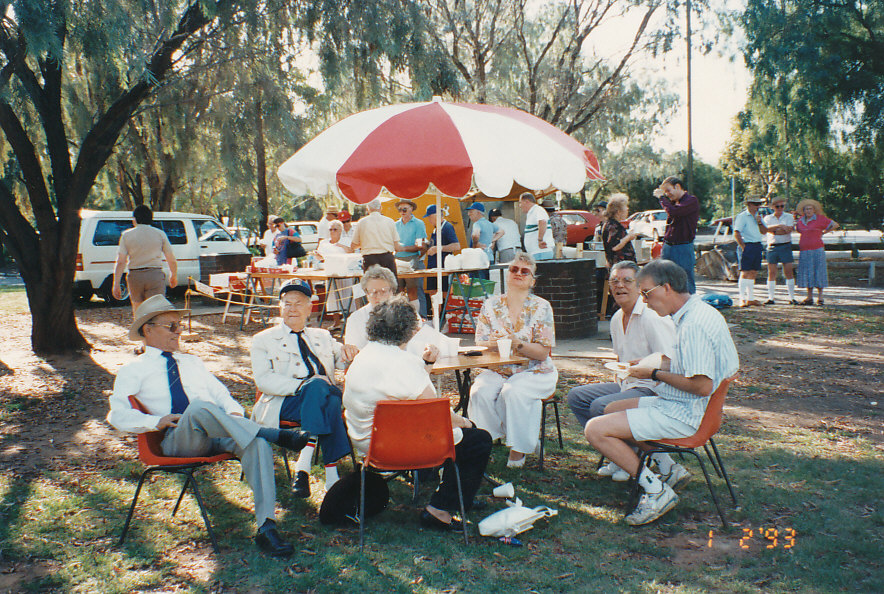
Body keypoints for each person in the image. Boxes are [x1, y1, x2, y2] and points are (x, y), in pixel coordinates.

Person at [108, 295, 311, 557]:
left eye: (180, 325)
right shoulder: (133, 369)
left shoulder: (192, 362)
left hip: (216, 433)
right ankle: (270, 432)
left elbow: (224, 397)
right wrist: (153, 421)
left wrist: (235, 416)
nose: (179, 331)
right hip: (176, 440)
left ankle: (266, 527)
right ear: (148, 329)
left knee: (256, 444)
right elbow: (117, 415)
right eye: (171, 326)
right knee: (198, 408)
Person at [584, 260, 739, 526]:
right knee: (612, 409)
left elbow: (701, 385)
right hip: (684, 405)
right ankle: (668, 471)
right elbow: (686, 364)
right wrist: (650, 363)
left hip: (686, 414)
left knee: (594, 430)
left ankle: (656, 491)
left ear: (666, 288)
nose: (644, 300)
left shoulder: (693, 326)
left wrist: (653, 374)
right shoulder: (696, 312)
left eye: (646, 293)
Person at [344, 297, 492, 531]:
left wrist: (426, 365)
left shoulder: (362, 357)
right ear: (409, 331)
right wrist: (466, 422)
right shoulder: (403, 363)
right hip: (403, 448)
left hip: (369, 446)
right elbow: (436, 412)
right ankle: (440, 509)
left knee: (462, 435)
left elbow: (401, 388)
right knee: (479, 440)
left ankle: (458, 495)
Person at [567, 261, 679, 482]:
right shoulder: (617, 318)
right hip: (630, 383)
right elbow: (622, 360)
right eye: (615, 281)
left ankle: (649, 460)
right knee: (577, 397)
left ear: (639, 286)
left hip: (657, 389)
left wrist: (646, 367)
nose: (620, 286)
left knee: (602, 406)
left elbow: (673, 362)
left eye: (628, 281)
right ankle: (621, 454)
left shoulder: (651, 316)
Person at [250, 279, 359, 499]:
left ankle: (304, 465)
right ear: (280, 307)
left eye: (298, 303)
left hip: (318, 402)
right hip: (284, 403)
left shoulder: (322, 336)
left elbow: (343, 359)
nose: (292, 309)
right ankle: (330, 475)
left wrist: (349, 350)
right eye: (287, 303)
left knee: (327, 397)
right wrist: (303, 385)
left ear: (310, 308)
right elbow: (263, 381)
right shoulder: (263, 340)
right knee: (326, 395)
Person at [468, 251, 558, 468]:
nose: (518, 273)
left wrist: (517, 344)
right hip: (499, 369)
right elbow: (480, 342)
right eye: (514, 269)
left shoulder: (542, 307)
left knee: (513, 391)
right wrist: (499, 344)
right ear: (507, 275)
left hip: (535, 370)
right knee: (479, 391)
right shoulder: (490, 305)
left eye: (525, 271)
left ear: (532, 280)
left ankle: (519, 449)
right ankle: (486, 442)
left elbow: (542, 352)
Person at [344, 265, 441, 364]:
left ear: (392, 290)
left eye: (384, 291)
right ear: (366, 293)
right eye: (373, 292)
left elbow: (420, 344)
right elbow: (353, 352)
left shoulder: (409, 313)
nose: (379, 296)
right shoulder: (356, 318)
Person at [112, 205, 178, 313]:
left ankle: (139, 329)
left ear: (135, 219)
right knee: (155, 311)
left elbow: (120, 261)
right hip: (154, 275)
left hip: (135, 276)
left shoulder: (126, 235)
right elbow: (171, 259)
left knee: (138, 310)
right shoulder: (160, 234)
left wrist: (116, 283)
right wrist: (173, 275)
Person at [654, 177, 700, 294]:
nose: (667, 194)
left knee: (685, 280)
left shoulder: (691, 201)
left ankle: (690, 307)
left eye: (668, 191)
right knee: (665, 279)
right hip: (668, 246)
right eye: (665, 192)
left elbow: (674, 212)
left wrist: (661, 198)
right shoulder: (674, 203)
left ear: (678, 187)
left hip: (683, 247)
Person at [795, 198, 839, 306]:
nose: (808, 211)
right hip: (805, 250)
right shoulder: (800, 220)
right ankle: (809, 297)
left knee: (819, 271)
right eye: (806, 209)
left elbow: (835, 224)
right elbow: (798, 230)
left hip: (817, 249)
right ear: (803, 211)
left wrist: (824, 232)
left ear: (814, 210)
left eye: (810, 209)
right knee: (807, 272)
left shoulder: (820, 219)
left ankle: (820, 298)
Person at [420, 204, 461, 313]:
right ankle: (436, 318)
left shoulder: (447, 227)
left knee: (444, 292)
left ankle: (446, 317)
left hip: (443, 267)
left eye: (430, 217)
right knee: (432, 293)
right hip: (433, 267)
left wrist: (439, 248)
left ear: (437, 216)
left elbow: (456, 246)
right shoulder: (435, 229)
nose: (429, 220)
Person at [350, 198, 401, 282]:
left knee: (372, 288)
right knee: (391, 287)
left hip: (370, 259)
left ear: (367, 209)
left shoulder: (362, 222)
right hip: (387, 258)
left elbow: (353, 246)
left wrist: (364, 243)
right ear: (381, 208)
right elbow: (396, 246)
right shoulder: (390, 221)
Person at [315, 220, 355, 328]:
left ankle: (349, 323)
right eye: (330, 229)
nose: (332, 231)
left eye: (335, 229)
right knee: (332, 297)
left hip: (345, 273)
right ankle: (336, 322)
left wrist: (341, 245)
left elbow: (352, 251)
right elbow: (320, 257)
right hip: (330, 271)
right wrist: (317, 255)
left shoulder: (346, 240)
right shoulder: (324, 243)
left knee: (347, 297)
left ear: (340, 230)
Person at [393, 199, 428, 315]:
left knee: (415, 292)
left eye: (404, 209)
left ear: (411, 209)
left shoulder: (418, 224)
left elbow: (420, 245)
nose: (402, 211)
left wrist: (403, 248)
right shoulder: (395, 224)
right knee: (398, 292)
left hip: (413, 260)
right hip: (397, 261)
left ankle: (421, 318)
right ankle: (401, 319)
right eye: (400, 209)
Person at [733, 197, 769, 307]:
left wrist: (759, 222)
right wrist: (743, 247)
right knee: (745, 272)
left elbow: (764, 231)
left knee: (753, 272)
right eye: (755, 204)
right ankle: (742, 298)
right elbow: (736, 232)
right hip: (747, 245)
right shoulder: (742, 216)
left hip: (757, 245)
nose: (757, 206)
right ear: (749, 205)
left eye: (759, 204)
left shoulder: (758, 217)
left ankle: (750, 298)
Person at [763, 197, 798, 305]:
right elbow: (766, 230)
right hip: (772, 246)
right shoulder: (768, 218)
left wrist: (775, 230)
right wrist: (779, 226)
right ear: (773, 207)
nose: (780, 208)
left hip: (785, 245)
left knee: (788, 271)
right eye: (777, 206)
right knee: (772, 272)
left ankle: (792, 297)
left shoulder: (788, 217)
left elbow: (788, 230)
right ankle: (771, 297)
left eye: (782, 206)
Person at [600, 194, 639, 267]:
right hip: (621, 266)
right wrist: (628, 237)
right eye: (625, 207)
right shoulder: (613, 226)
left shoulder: (612, 224)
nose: (627, 209)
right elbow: (615, 247)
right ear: (618, 212)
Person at [466, 202, 503, 278]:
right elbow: (501, 232)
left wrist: (475, 245)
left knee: (480, 285)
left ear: (478, 213)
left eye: (471, 212)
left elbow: (475, 235)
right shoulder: (490, 224)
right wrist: (492, 240)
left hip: (479, 260)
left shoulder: (477, 224)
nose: (469, 214)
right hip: (490, 258)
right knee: (489, 282)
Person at [519, 193, 553, 261]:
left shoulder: (538, 210)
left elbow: (543, 222)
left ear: (527, 202)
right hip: (536, 253)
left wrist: (540, 240)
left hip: (540, 253)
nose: (519, 206)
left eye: (520, 203)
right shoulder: (533, 212)